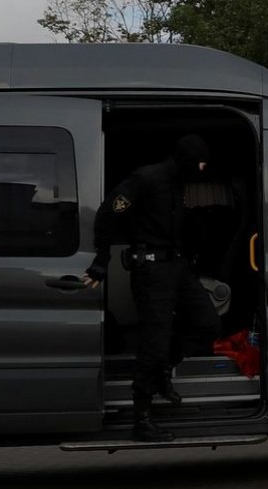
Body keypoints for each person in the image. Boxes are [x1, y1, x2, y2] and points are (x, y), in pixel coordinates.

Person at [84, 134, 222, 443]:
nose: (202, 169)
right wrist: (101, 260)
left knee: (208, 323)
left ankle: (163, 368)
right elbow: (108, 212)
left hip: (176, 266)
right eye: (200, 162)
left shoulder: (178, 183)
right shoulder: (146, 178)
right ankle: (142, 420)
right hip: (150, 270)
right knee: (153, 341)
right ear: (187, 160)